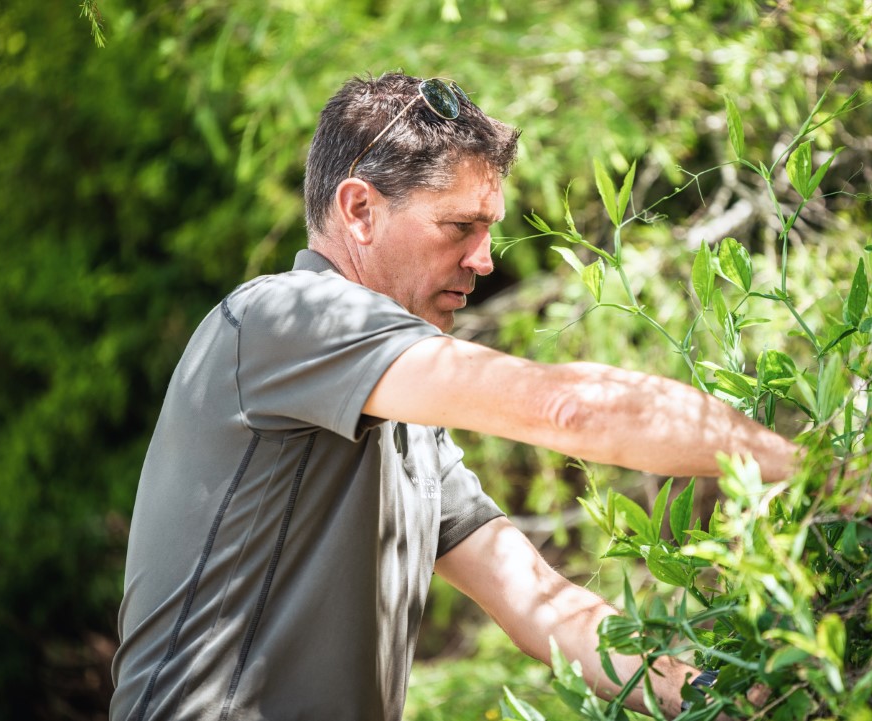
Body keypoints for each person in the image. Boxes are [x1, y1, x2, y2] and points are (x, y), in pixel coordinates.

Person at [110, 72, 797, 721]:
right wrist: (809, 464)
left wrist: (716, 692)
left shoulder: (407, 419)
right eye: (460, 227)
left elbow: (542, 606)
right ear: (359, 210)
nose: (485, 259)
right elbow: (571, 408)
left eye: (489, 229)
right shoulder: (281, 320)